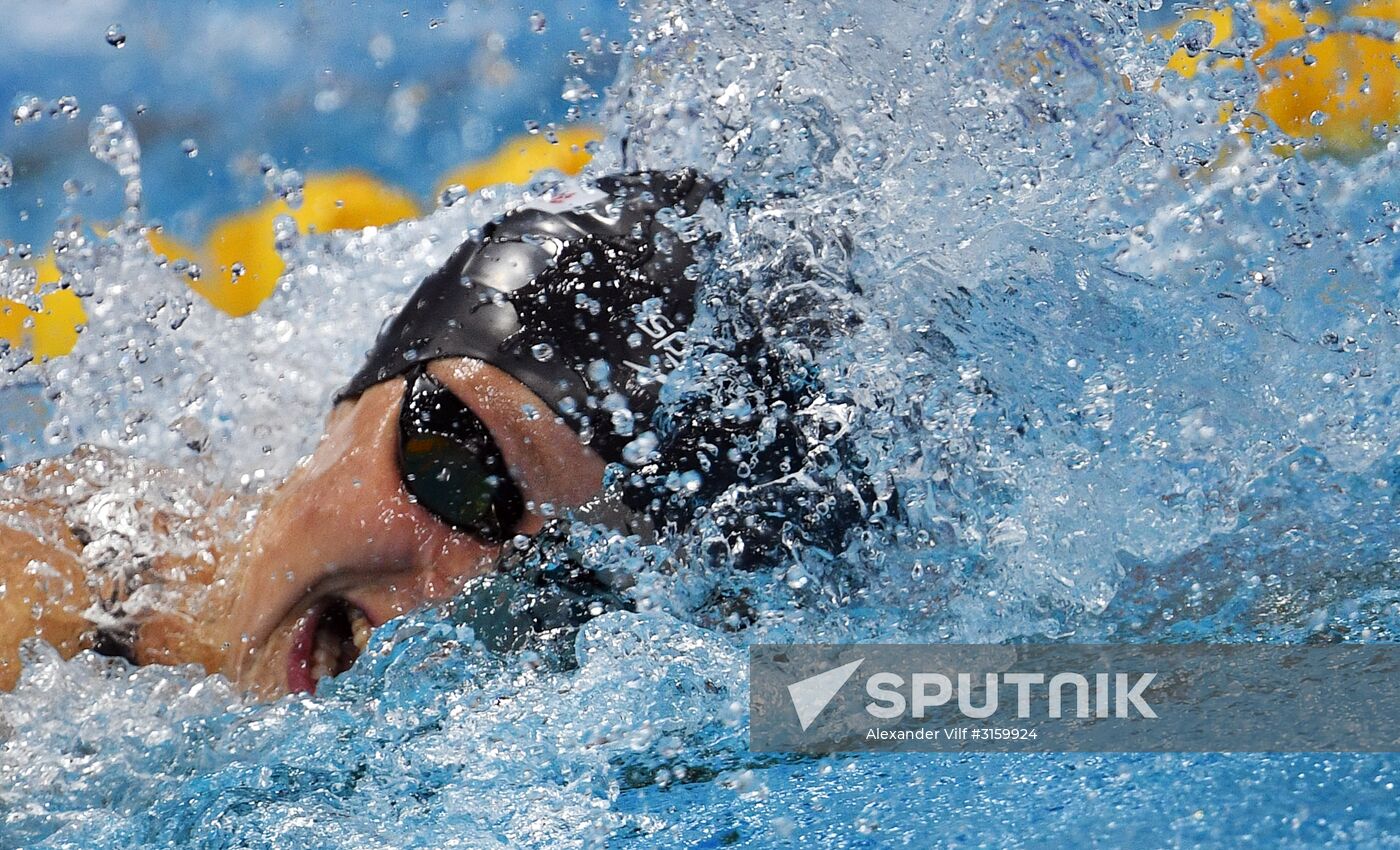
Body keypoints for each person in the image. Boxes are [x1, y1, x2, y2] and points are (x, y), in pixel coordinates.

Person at [0, 170, 722, 698]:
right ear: (355, 398)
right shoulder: (43, 602)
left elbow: (815, 701)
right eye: (460, 472)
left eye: (567, 582)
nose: (461, 592)